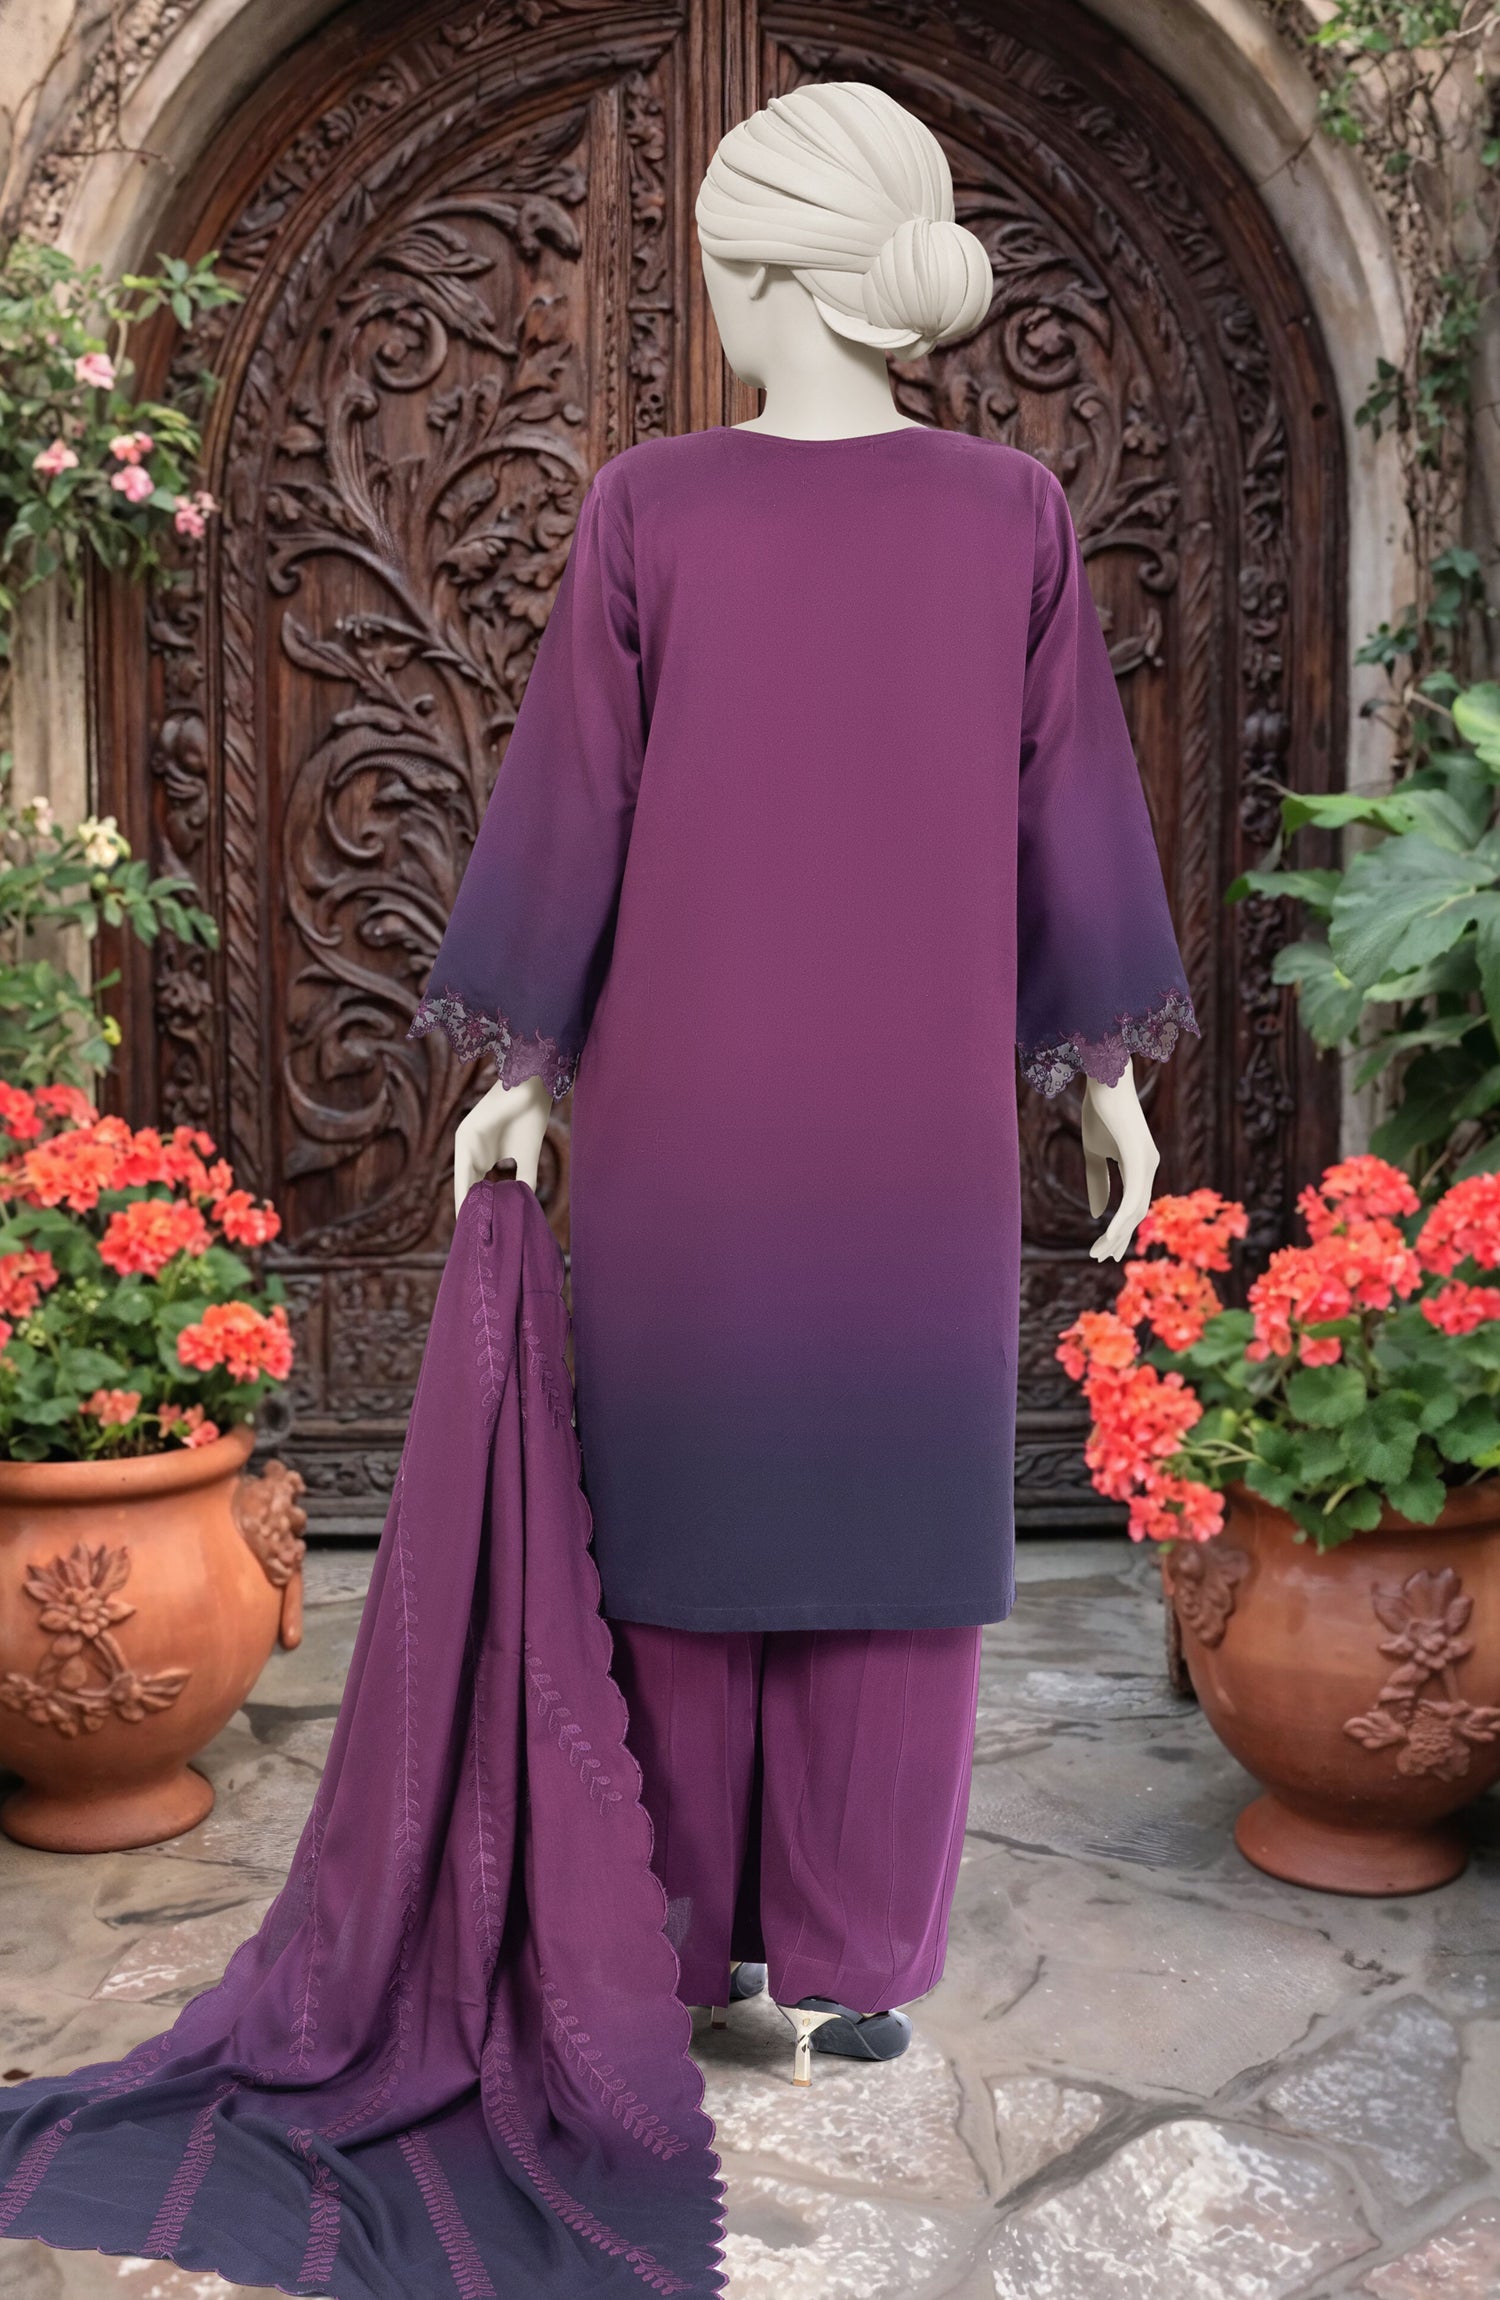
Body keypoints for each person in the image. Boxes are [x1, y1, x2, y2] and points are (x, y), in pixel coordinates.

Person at [412, 79, 1195, 2084]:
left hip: (687, 1122)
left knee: (684, 1520)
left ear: (756, 273)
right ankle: (859, 1960)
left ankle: (695, 1955)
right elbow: (1072, 812)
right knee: (887, 1517)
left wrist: (527, 1065)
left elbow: (574, 805)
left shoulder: (651, 506)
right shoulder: (1010, 513)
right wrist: (1099, 1072)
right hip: (915, 1132)